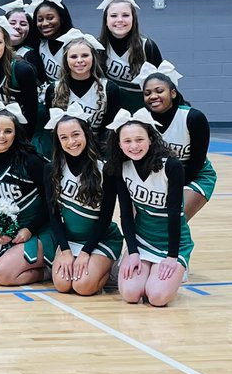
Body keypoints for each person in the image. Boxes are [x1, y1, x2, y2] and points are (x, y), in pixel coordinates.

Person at [106, 110, 192, 306]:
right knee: (130, 294)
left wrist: (172, 257)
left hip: (171, 242)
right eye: (127, 141)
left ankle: (176, 267)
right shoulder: (121, 167)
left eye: (139, 139)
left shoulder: (171, 166)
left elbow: (175, 214)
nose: (134, 146)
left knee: (157, 298)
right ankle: (147, 266)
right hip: (142, 239)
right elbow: (126, 214)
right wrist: (133, 251)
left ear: (151, 139)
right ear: (119, 144)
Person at [45, 105, 124, 295]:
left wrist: (85, 253)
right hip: (70, 240)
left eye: (76, 134)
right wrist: (64, 251)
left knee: (83, 287)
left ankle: (109, 270)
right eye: (64, 137)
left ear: (86, 134)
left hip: (100, 239)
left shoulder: (104, 169)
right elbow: (53, 216)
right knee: (63, 285)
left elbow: (105, 217)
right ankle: (93, 268)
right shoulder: (51, 169)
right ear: (58, 141)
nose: (71, 141)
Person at [0, 104, 50, 286]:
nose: (1, 136)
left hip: (36, 230)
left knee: (3, 275)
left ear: (16, 134)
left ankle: (46, 271)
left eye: (8, 131)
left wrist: (29, 229)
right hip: (4, 233)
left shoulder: (32, 162)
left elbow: (50, 202)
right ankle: (13, 259)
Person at [140, 65, 214, 220]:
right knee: (143, 224)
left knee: (174, 220)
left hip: (194, 175)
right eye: (147, 93)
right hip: (158, 177)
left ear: (173, 93)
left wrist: (170, 188)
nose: (153, 96)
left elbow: (197, 161)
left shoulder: (193, 118)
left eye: (159, 91)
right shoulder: (141, 121)